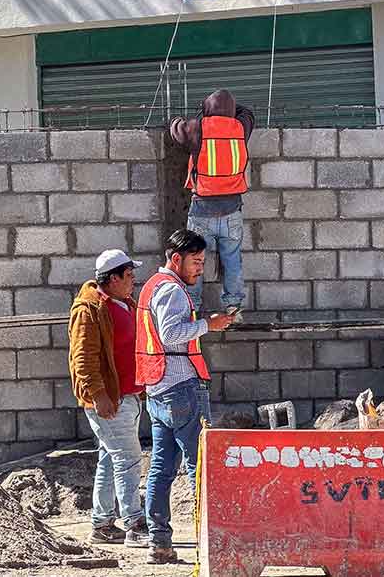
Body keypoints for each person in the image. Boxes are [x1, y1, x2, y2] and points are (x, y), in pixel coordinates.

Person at [137, 229, 235, 564]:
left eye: (203, 262)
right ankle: (210, 544)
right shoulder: (173, 291)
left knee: (161, 468)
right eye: (196, 262)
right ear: (176, 258)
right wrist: (210, 324)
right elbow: (171, 334)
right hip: (181, 388)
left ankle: (159, 544)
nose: (200, 268)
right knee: (200, 467)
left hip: (158, 389)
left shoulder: (152, 286)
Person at [68, 249, 149, 548]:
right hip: (110, 401)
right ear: (113, 279)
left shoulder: (124, 303)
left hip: (127, 397)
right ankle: (134, 525)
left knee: (110, 459)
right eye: (128, 275)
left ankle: (102, 525)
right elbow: (83, 358)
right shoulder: (89, 309)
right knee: (128, 459)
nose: (133, 280)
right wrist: (99, 395)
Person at [169, 89, 255, 321]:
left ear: (207, 108)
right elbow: (248, 113)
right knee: (232, 261)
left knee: (193, 260)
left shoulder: (198, 128)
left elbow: (176, 129)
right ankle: (234, 309)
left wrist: (184, 117)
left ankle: (192, 310)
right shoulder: (240, 127)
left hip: (202, 210)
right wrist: (231, 110)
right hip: (232, 210)